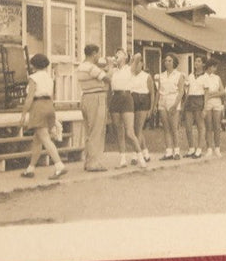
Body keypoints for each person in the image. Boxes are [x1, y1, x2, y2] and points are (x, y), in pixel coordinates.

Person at [16, 52, 67, 179]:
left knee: (44, 138)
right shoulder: (49, 78)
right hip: (49, 106)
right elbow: (51, 95)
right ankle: (30, 169)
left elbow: (29, 98)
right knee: (37, 140)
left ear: (33, 65)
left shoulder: (33, 78)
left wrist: (23, 115)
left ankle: (59, 165)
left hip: (38, 106)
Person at [73, 44, 109, 172]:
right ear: (94, 54)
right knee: (97, 130)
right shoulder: (91, 67)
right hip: (96, 98)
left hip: (86, 97)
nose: (99, 56)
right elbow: (107, 79)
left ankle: (88, 161)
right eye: (98, 54)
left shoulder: (81, 67)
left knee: (89, 131)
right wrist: (109, 69)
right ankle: (94, 162)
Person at [107, 50, 145, 168]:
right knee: (119, 130)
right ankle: (122, 159)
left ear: (125, 57)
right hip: (115, 98)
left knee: (130, 132)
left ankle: (140, 157)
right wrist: (110, 64)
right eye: (116, 52)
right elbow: (107, 79)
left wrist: (129, 57)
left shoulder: (130, 68)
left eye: (120, 53)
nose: (117, 54)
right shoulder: (113, 70)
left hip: (126, 98)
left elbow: (138, 55)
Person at [156, 53, 186, 160]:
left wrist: (175, 105)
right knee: (166, 127)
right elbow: (159, 91)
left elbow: (181, 91)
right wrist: (156, 104)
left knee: (174, 127)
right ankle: (168, 151)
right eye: (166, 61)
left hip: (173, 100)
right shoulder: (161, 75)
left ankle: (177, 151)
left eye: (170, 61)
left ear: (174, 62)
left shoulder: (179, 75)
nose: (167, 63)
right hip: (163, 100)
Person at [199, 58, 224, 157]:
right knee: (208, 126)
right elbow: (205, 93)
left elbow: (222, 91)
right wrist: (213, 94)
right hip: (207, 104)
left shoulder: (217, 77)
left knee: (217, 126)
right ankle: (209, 148)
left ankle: (217, 148)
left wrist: (212, 94)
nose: (216, 68)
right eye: (214, 66)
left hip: (217, 103)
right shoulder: (203, 77)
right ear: (210, 67)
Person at [182, 56, 206, 159]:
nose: (196, 62)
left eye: (199, 61)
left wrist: (205, 107)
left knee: (200, 126)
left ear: (203, 64)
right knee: (188, 125)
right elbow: (187, 90)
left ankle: (199, 149)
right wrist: (184, 103)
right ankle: (191, 148)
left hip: (199, 99)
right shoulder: (191, 75)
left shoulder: (205, 77)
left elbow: (207, 93)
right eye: (196, 60)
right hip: (189, 100)